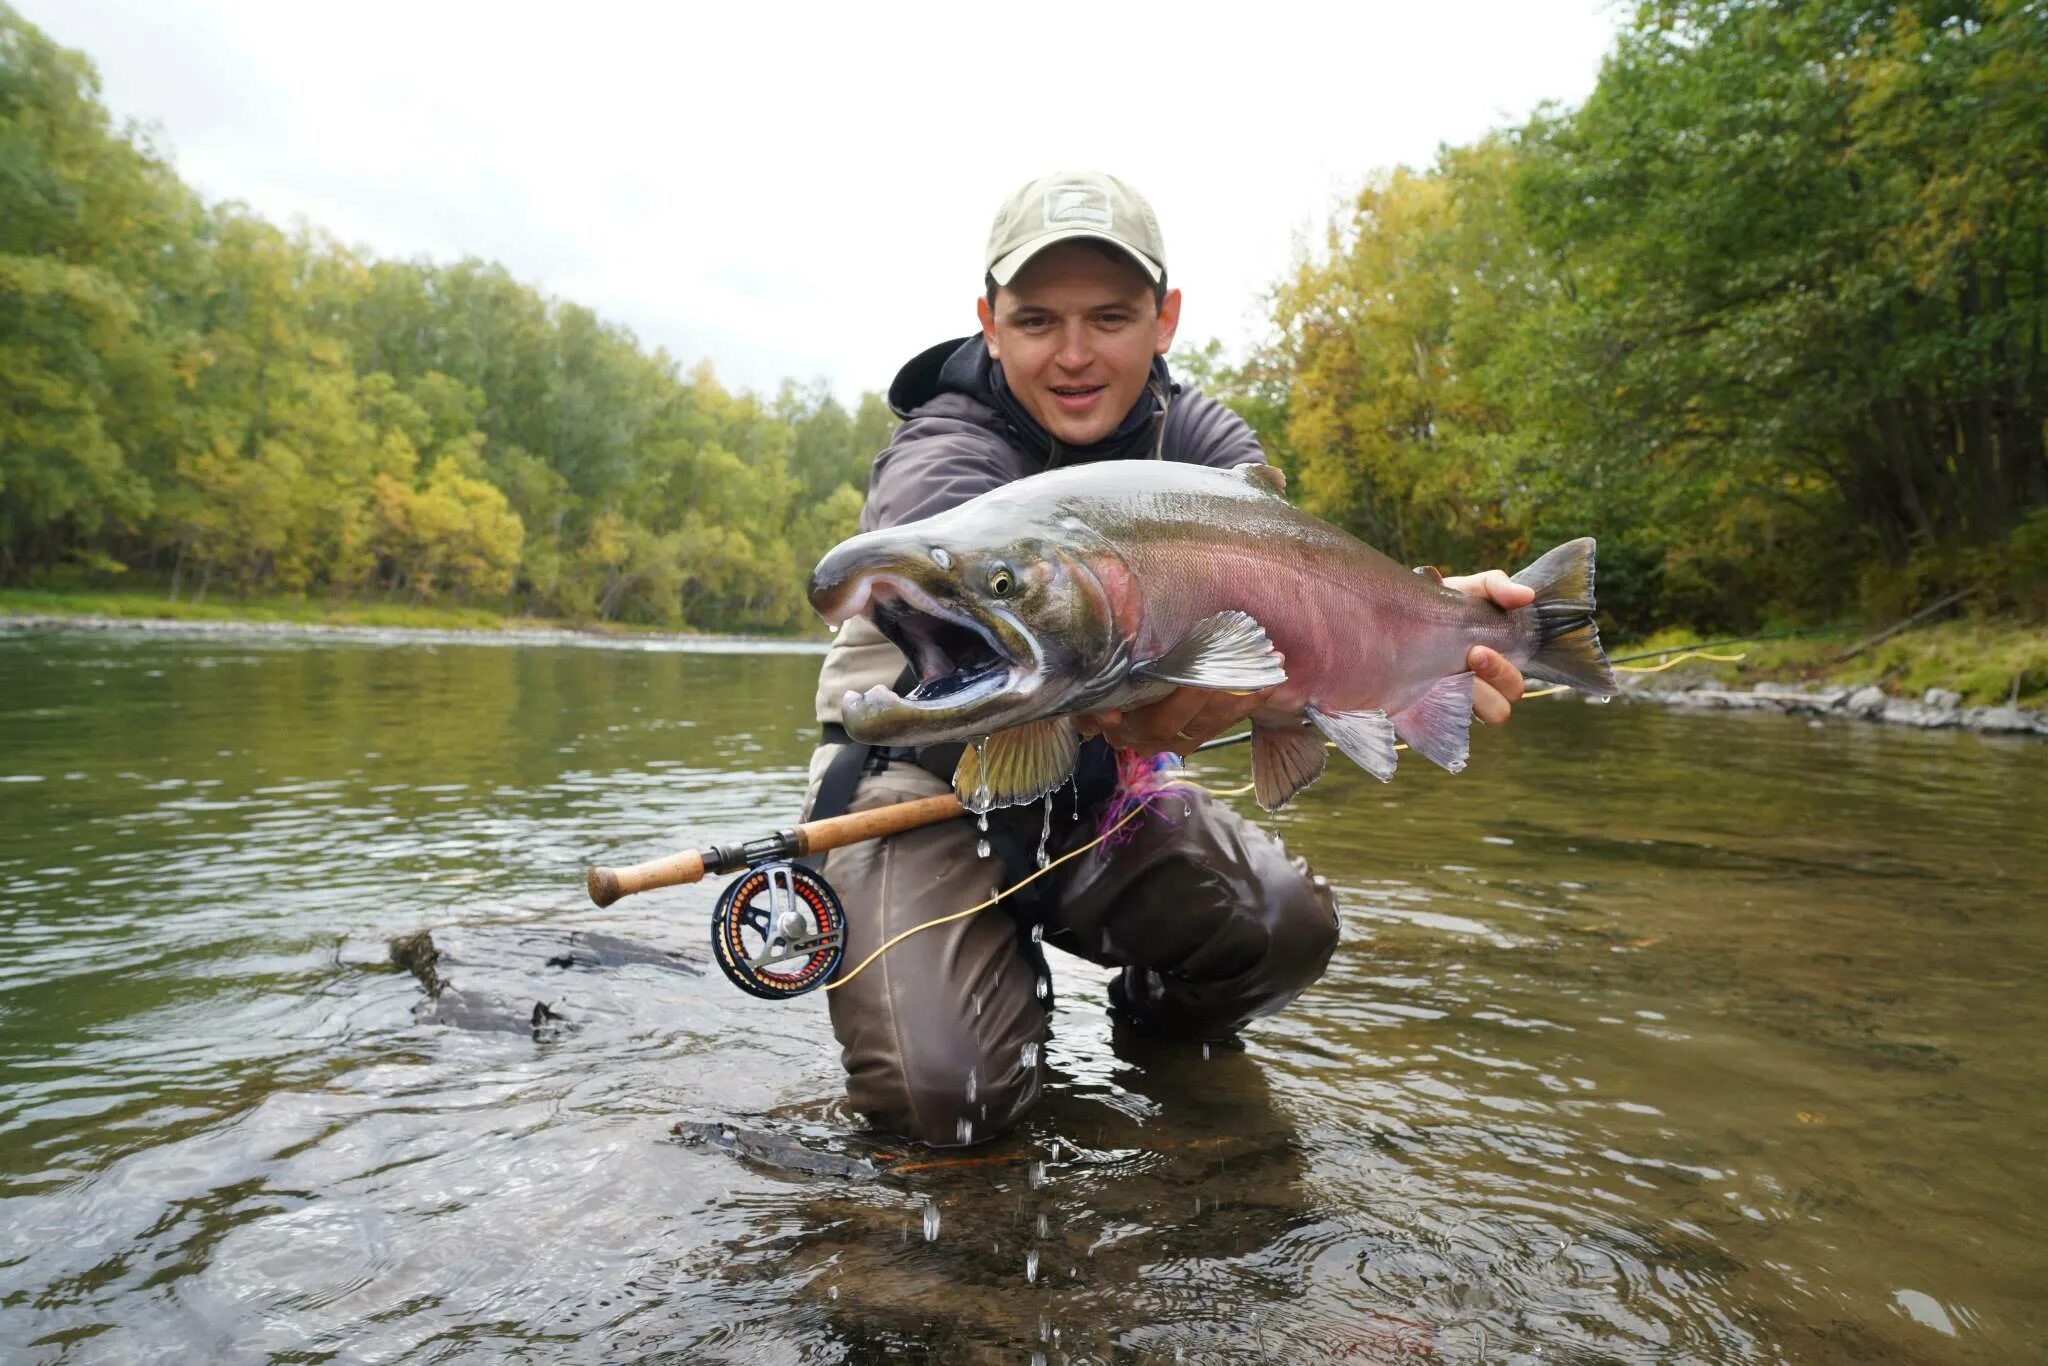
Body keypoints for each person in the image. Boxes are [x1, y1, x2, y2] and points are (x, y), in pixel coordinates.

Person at [805, 171, 1528, 1147]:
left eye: (1109, 316)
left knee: (1283, 928)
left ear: (1164, 318)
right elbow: (930, 553)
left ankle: (1162, 1057)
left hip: (1098, 797)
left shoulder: (1202, 443)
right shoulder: (941, 451)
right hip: (916, 789)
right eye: (1035, 320)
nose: (1072, 353)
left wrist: (1432, 619)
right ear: (986, 322)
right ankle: (983, 1028)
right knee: (944, 1105)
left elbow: (1304, 576)